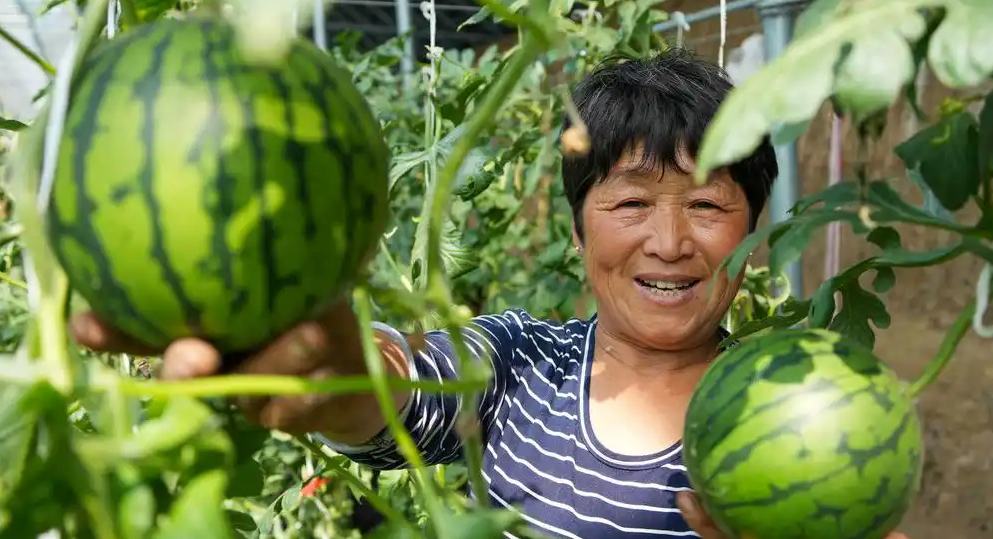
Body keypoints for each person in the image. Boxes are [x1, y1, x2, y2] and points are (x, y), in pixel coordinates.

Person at [71, 49, 909, 539]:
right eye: (628, 202)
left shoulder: (791, 398)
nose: (668, 241)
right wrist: (339, 377)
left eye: (706, 204)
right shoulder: (517, 362)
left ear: (754, 230)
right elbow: (401, 394)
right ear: (578, 231)